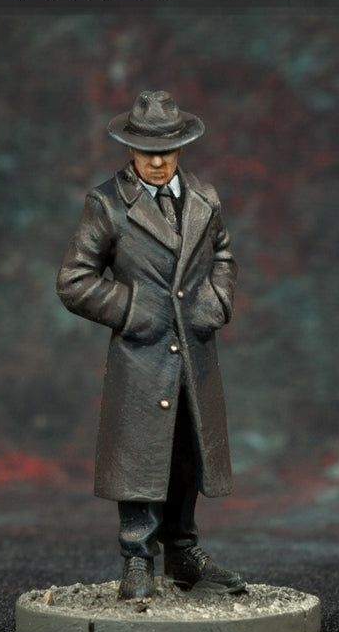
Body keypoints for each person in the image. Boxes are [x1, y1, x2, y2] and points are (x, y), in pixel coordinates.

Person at [56, 90, 244, 600]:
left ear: (181, 147)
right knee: (141, 454)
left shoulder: (204, 198)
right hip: (141, 359)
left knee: (187, 453)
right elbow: (74, 280)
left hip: (194, 358)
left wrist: (216, 302)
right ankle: (137, 558)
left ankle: (183, 551)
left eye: (167, 151)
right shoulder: (108, 204)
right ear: (130, 148)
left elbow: (223, 255)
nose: (158, 162)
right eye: (147, 152)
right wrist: (134, 309)